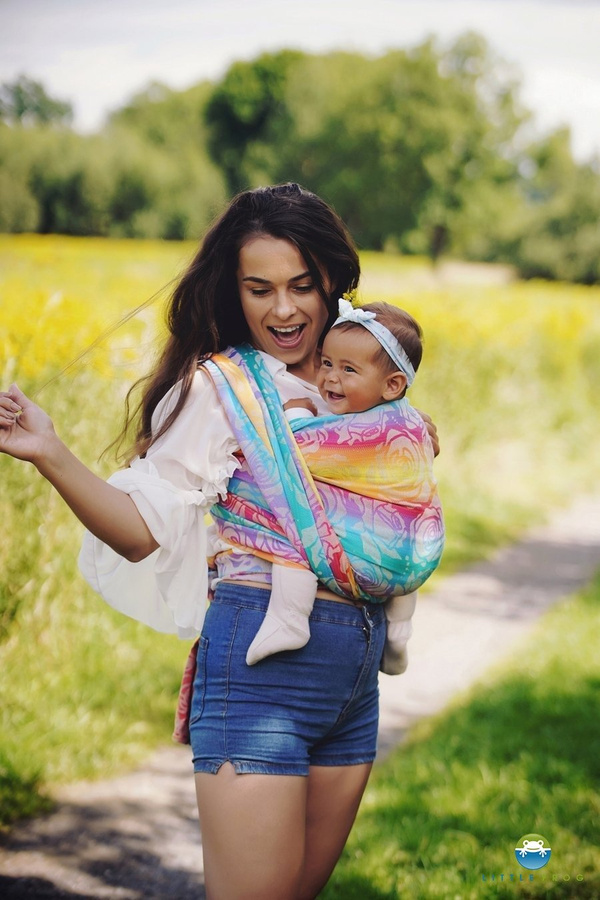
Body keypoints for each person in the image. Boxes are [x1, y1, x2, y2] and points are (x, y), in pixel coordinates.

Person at [0, 183, 439, 900]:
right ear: (232, 292)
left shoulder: (356, 375)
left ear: (332, 280)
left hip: (356, 674)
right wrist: (49, 451)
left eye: (303, 285)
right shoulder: (221, 386)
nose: (285, 309)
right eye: (260, 289)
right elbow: (142, 532)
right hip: (265, 674)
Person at [245, 297, 442, 669]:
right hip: (414, 554)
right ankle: (398, 631)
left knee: (296, 522)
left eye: (348, 369)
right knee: (399, 545)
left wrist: (300, 410)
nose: (330, 378)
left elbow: (298, 449)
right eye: (327, 363)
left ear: (392, 384)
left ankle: (289, 618)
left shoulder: (367, 427)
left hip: (367, 554)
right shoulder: (410, 420)